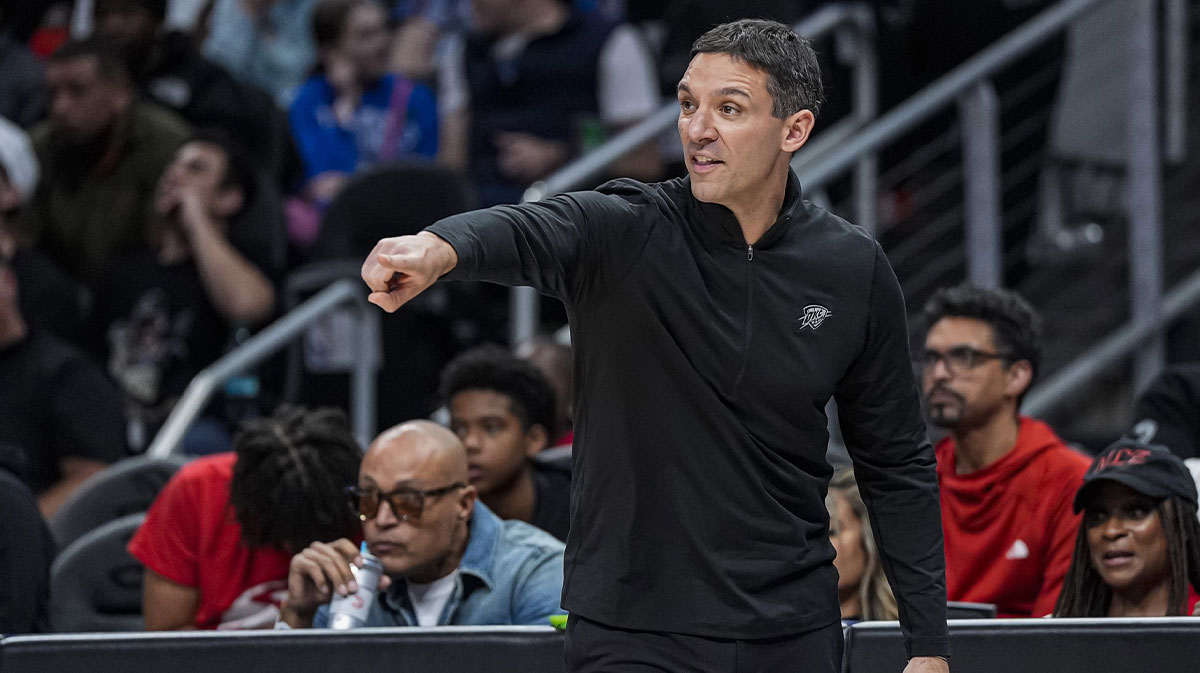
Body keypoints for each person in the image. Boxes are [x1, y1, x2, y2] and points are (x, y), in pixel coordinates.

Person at [362, 19, 949, 672]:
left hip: (791, 628)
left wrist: (926, 643)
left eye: (729, 109)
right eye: (688, 104)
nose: (697, 130)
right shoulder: (626, 230)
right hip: (631, 629)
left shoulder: (851, 268)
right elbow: (530, 228)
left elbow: (895, 463)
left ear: (795, 130)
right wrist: (439, 247)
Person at [88, 132, 276, 451]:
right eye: (173, 165)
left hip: (194, 428)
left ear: (228, 198)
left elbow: (246, 306)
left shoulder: (245, 265)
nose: (175, 174)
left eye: (195, 169)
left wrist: (196, 216)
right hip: (119, 420)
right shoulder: (124, 271)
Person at [277, 420, 565, 628]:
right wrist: (297, 613)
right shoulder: (348, 587)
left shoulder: (534, 572)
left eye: (407, 501)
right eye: (368, 500)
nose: (382, 520)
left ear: (463, 504)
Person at [921, 284, 1091, 618]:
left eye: (963, 357)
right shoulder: (915, 478)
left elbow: (1057, 635)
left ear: (1016, 376)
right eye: (931, 358)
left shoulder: (1070, 482)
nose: (939, 374)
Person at [127, 405, 363, 629]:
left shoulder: (366, 505)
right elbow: (166, 642)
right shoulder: (197, 492)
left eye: (311, 529)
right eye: (283, 532)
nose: (292, 546)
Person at [436, 0, 661, 206]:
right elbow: (451, 163)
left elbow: (642, 161)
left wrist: (560, 156)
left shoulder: (612, 41)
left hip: (574, 217)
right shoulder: (463, 50)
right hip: (479, 217)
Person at [13, 38, 190, 285]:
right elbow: (21, 241)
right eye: (52, 93)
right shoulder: (37, 148)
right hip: (59, 291)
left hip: (139, 288)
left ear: (120, 93)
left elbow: (164, 243)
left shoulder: (166, 147)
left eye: (78, 91)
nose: (60, 108)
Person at [91, 0, 291, 181]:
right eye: (102, 16)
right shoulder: (80, 78)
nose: (113, 26)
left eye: (126, 14)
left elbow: (223, 147)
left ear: (157, 18)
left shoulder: (199, 76)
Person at [289, 0, 438, 207]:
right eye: (366, 35)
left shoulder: (416, 97)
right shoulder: (310, 100)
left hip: (401, 218)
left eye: (384, 29)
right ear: (333, 51)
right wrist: (345, 103)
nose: (382, 43)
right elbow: (324, 183)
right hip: (337, 227)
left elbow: (426, 179)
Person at [1054, 438, 1200, 617]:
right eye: (1097, 516)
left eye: (1136, 512)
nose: (1111, 531)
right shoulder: (1054, 634)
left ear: (1180, 526)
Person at [439, 343, 570, 541]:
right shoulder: (437, 511)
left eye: (491, 427)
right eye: (459, 429)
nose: (470, 443)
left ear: (534, 440)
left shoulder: (582, 513)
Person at [827, 469, 898, 622]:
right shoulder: (782, 636)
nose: (816, 544)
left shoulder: (902, 635)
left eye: (831, 531)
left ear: (869, 540)